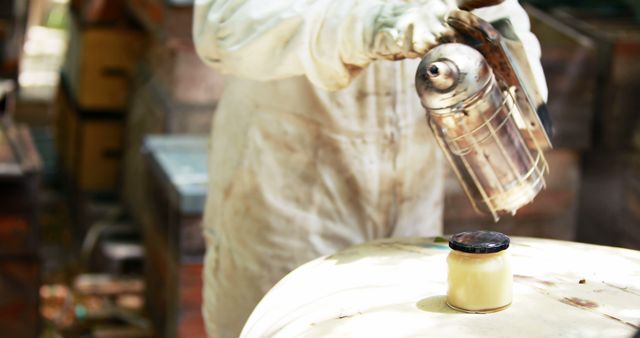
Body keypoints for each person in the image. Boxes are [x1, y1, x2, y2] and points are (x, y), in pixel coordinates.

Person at [192, 0, 547, 336]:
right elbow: (224, 27)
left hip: (411, 215)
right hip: (290, 209)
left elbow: (497, 15)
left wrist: (506, 44)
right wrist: (377, 25)